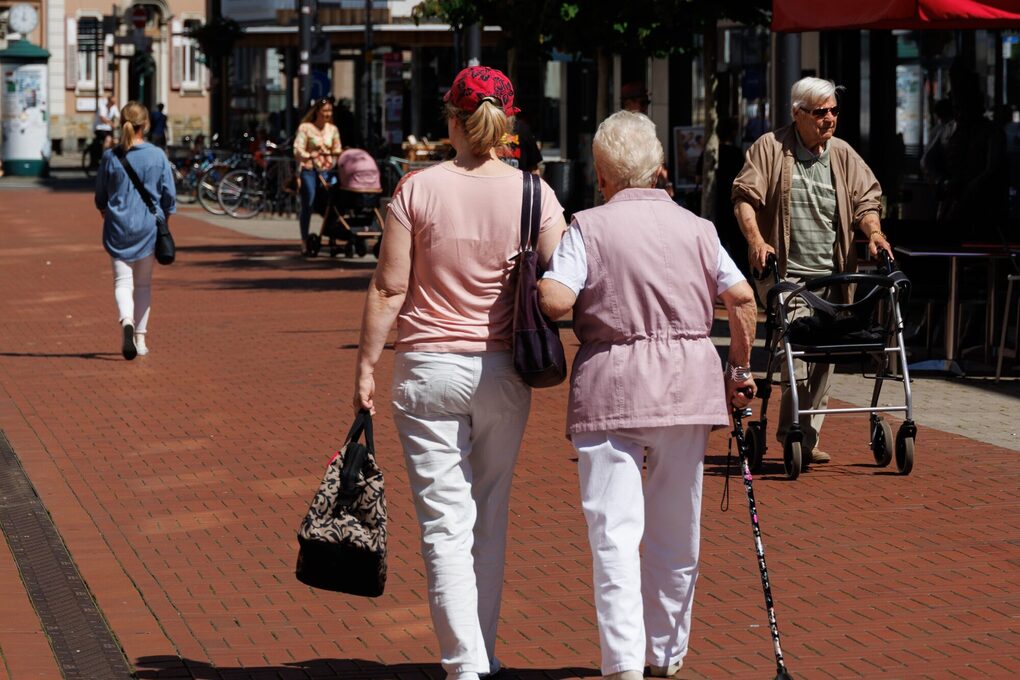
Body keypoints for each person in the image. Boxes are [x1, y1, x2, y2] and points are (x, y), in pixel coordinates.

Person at [353, 65, 567, 680]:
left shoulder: (416, 190)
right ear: (507, 122)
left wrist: (367, 364)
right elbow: (561, 285)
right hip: (504, 368)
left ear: (452, 119)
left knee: (445, 522)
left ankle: (464, 663)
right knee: (489, 514)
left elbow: (390, 286)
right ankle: (483, 652)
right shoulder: (535, 193)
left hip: (427, 368)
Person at [537, 110, 757, 680]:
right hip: (687, 384)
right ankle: (665, 653)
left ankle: (622, 663)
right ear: (659, 169)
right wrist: (739, 368)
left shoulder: (587, 227)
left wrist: (541, 282)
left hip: (611, 385)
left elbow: (558, 302)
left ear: (603, 174)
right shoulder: (700, 228)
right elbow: (742, 298)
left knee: (613, 533)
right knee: (677, 528)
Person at [731, 76, 893, 464]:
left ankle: (807, 435)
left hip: (835, 275)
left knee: (828, 351)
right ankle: (793, 433)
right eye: (821, 112)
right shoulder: (769, 149)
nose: (830, 119)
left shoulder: (842, 155)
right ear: (798, 114)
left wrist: (874, 233)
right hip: (787, 275)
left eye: (834, 111)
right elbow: (743, 198)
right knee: (799, 347)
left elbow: (867, 201)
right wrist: (756, 240)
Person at [94, 101, 176, 360]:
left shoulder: (111, 156)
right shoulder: (157, 155)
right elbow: (169, 195)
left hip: (118, 224)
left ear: (122, 124)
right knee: (142, 285)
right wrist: (164, 216)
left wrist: (104, 209)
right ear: (146, 124)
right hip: (147, 226)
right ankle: (140, 338)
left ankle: (126, 320)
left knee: (122, 282)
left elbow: (101, 194)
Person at [294, 98, 342, 254]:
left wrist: (332, 155)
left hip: (327, 170)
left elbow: (338, 148)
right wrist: (308, 154)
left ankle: (332, 238)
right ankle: (304, 240)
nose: (327, 114)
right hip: (310, 168)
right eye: (324, 111)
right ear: (317, 112)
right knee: (309, 201)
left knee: (332, 202)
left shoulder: (332, 129)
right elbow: (298, 149)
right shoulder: (306, 128)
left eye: (330, 111)